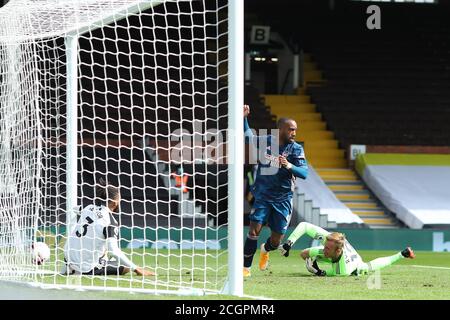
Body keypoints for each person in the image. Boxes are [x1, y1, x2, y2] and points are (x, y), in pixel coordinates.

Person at [243, 104, 308, 277]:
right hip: (263, 196)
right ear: (280, 130)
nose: (294, 133)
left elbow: (304, 173)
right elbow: (248, 137)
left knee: (276, 240)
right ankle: (245, 268)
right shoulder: (266, 141)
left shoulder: (296, 149)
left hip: (283, 199)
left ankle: (266, 250)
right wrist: (244, 119)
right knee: (253, 231)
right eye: (291, 130)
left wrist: (289, 165)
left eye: (295, 130)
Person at [62, 178, 154, 276]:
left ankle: (71, 266)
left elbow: (75, 209)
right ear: (114, 203)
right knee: (125, 267)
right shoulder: (110, 222)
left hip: (68, 259)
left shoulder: (87, 208)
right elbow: (114, 251)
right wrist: (137, 269)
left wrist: (71, 228)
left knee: (102, 248)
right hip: (87, 269)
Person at [279, 222, 415, 276]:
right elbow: (304, 226)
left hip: (355, 266)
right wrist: (288, 243)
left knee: (367, 267)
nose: (324, 249)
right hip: (336, 256)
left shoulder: (342, 269)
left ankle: (402, 254)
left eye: (327, 249)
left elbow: (327, 274)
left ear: (337, 251)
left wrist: (317, 271)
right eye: (324, 246)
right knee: (304, 254)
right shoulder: (331, 240)